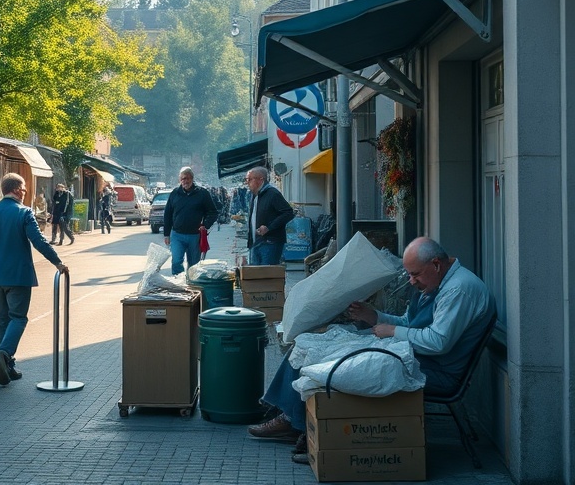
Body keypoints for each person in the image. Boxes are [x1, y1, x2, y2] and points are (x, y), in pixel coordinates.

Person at [247, 237, 495, 464]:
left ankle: (299, 425)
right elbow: (408, 322)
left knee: (336, 363)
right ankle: (286, 411)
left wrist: (391, 331)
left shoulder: (459, 290)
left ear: (436, 265)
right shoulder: (436, 283)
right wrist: (373, 316)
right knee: (309, 343)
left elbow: (438, 342)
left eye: (415, 275)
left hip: (436, 371)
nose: (412, 281)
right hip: (413, 355)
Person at [0, 172, 69, 386]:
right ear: (17, 190)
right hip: (18, 275)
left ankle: (6, 365)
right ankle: (5, 354)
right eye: (24, 188)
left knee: (1, 319)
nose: (25, 192)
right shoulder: (24, 213)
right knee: (18, 318)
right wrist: (57, 262)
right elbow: (39, 241)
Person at [162, 167, 218, 275]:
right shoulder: (175, 193)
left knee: (193, 265)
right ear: (180, 180)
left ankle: (191, 283)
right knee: (176, 261)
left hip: (195, 236)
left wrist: (205, 225)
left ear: (192, 178)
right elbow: (167, 214)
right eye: (183, 178)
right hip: (177, 235)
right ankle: (178, 281)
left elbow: (213, 212)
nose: (185, 181)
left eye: (187, 178)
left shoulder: (202, 193)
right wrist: (166, 234)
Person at [245, 166, 294, 265]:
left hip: (270, 242)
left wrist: (269, 227)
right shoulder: (255, 195)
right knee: (255, 272)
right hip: (255, 242)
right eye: (246, 179)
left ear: (261, 179)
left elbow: (288, 213)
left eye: (250, 179)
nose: (247, 182)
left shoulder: (272, 194)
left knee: (267, 272)